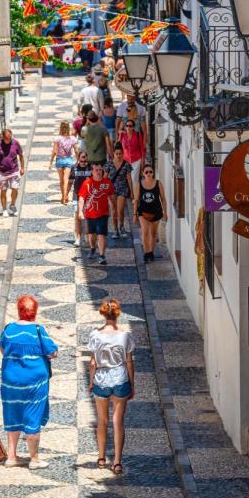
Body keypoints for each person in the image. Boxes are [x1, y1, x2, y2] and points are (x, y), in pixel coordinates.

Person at [0, 295, 59, 469]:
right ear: (35, 312)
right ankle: (34, 459)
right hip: (35, 383)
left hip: (11, 382)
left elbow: (3, 349)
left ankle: (11, 457)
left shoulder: (9, 329)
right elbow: (52, 353)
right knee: (33, 416)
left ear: (19, 310)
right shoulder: (38, 330)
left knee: (12, 413)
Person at [88, 299, 135, 474]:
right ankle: (116, 462)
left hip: (101, 378)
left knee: (102, 421)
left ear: (103, 313)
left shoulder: (95, 335)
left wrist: (91, 381)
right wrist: (132, 383)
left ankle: (101, 458)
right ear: (117, 314)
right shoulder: (125, 336)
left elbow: (93, 362)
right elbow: (129, 362)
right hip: (120, 379)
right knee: (118, 422)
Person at [78, 162, 115, 265]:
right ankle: (93, 248)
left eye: (100, 170)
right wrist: (80, 211)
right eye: (96, 170)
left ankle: (102, 255)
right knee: (91, 235)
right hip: (90, 214)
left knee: (101, 235)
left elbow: (112, 196)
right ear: (92, 172)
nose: (99, 172)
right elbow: (81, 197)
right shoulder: (87, 183)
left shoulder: (107, 183)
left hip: (103, 214)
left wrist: (113, 209)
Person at [134, 164, 167, 262]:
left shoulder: (158, 184)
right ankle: (146, 252)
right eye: (146, 172)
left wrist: (165, 212)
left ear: (153, 173)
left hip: (156, 211)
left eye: (150, 172)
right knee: (144, 232)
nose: (149, 174)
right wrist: (135, 214)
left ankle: (151, 252)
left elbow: (163, 199)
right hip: (143, 212)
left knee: (153, 234)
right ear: (143, 173)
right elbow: (136, 200)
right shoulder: (140, 184)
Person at [0, 129, 25, 216]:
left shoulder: (15, 143)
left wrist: (22, 167)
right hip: (1, 172)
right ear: (3, 137)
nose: (8, 141)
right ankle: (4, 209)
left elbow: (21, 155)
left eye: (9, 139)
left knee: (15, 188)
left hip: (14, 171)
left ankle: (13, 205)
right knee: (3, 191)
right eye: (6, 139)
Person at [104, 145, 134, 238]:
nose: (118, 155)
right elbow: (105, 178)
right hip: (111, 190)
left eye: (120, 153)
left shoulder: (126, 164)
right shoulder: (109, 164)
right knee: (113, 211)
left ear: (123, 154)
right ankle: (115, 229)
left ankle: (121, 226)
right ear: (113, 154)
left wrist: (132, 192)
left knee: (120, 210)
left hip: (123, 189)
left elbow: (129, 178)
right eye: (116, 153)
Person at [50, 120, 79, 205]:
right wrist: (78, 160)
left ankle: (63, 196)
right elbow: (76, 150)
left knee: (61, 180)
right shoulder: (72, 139)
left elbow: (55, 151)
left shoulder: (57, 139)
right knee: (66, 179)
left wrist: (50, 161)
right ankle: (65, 196)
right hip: (69, 160)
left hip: (59, 160)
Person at [71, 151, 93, 247]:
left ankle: (88, 237)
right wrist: (65, 195)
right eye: (82, 159)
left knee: (88, 216)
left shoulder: (91, 168)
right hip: (76, 195)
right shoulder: (74, 168)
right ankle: (78, 238)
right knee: (77, 216)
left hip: (88, 196)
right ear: (78, 159)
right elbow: (70, 181)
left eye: (85, 160)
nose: (83, 162)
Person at [118, 116, 146, 182]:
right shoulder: (123, 135)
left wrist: (142, 161)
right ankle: (128, 192)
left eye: (130, 126)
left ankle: (134, 192)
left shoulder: (137, 135)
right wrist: (119, 134)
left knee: (134, 179)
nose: (128, 127)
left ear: (133, 127)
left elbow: (142, 149)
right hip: (126, 160)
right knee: (126, 179)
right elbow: (118, 146)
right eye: (127, 126)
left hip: (136, 160)